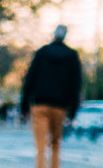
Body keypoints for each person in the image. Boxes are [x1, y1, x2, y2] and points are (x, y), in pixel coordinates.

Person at [20, 25, 81, 168]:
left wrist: (24, 107)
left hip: (40, 104)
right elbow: (75, 84)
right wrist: (73, 111)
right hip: (60, 106)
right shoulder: (72, 55)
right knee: (56, 142)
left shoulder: (42, 53)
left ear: (53, 35)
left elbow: (29, 79)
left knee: (41, 144)